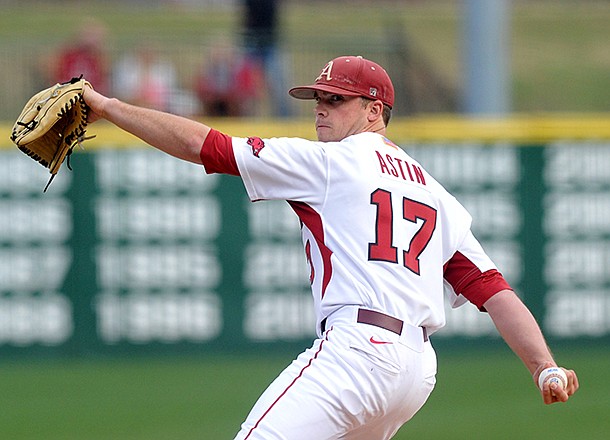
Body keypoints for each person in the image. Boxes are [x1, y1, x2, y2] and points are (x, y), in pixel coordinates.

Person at [82, 55, 579, 439]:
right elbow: (493, 291)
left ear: (374, 111)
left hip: (358, 354)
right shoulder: (433, 191)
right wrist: (543, 367)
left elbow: (204, 145)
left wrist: (108, 107)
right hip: (414, 373)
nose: (322, 106)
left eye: (337, 99)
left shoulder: (332, 162)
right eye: (319, 97)